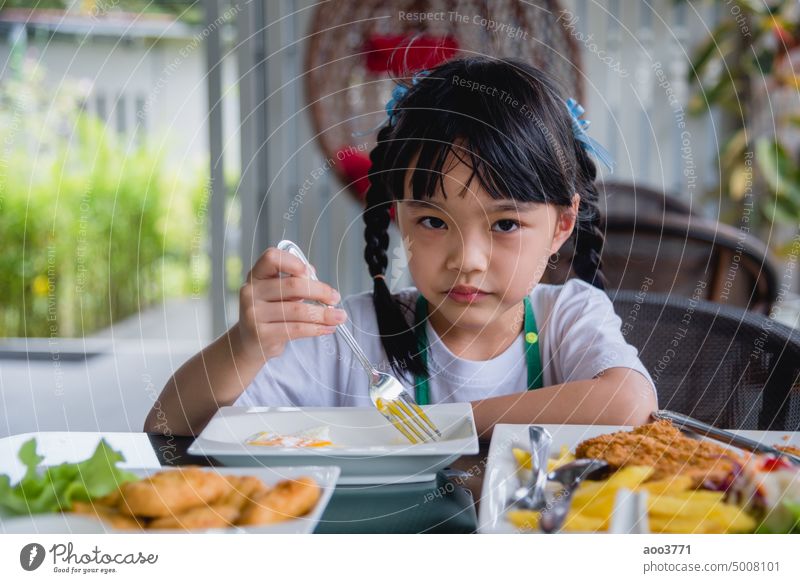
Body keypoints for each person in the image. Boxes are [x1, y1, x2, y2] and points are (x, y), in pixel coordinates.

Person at [144, 56, 657, 438]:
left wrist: (429, 433)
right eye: (433, 220)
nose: (467, 261)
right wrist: (246, 345)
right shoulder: (352, 337)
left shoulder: (564, 318)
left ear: (562, 225)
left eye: (504, 225)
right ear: (398, 214)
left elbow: (629, 402)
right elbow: (168, 427)